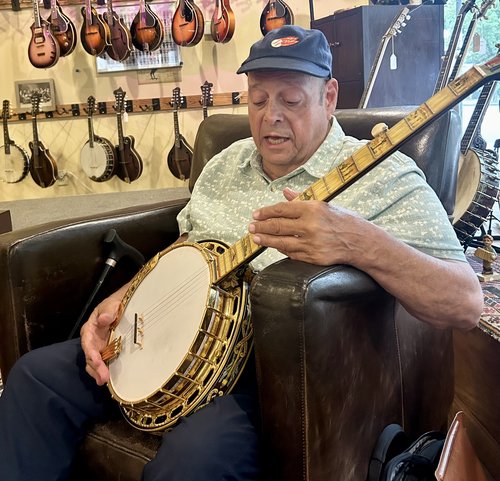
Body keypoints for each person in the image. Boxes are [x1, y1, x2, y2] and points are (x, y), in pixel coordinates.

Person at [0, 25, 483, 481]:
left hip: (269, 375)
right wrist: (123, 302)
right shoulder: (226, 161)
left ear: (329, 97)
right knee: (34, 379)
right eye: (257, 100)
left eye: (291, 100)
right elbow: (182, 250)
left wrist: (355, 241)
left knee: (191, 464)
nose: (270, 115)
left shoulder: (384, 175)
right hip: (161, 339)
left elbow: (464, 301)